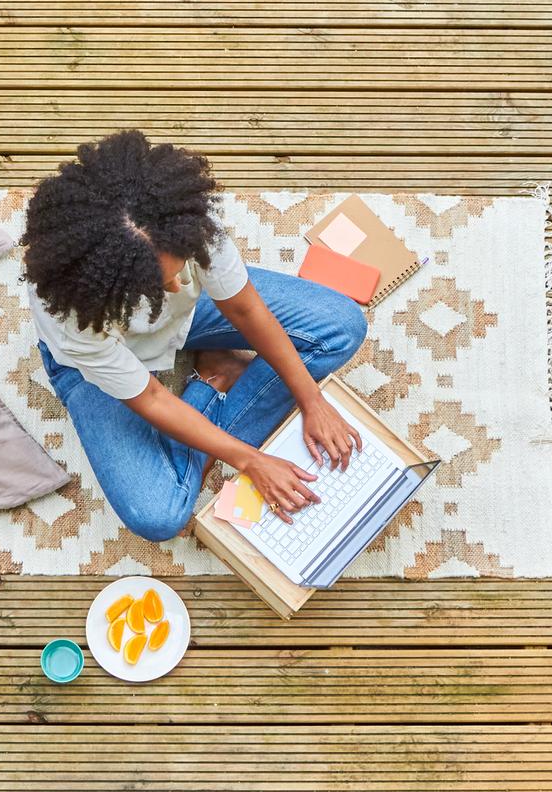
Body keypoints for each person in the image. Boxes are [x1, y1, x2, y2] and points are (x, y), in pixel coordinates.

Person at [22, 130, 370, 542]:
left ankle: (205, 411)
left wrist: (312, 400)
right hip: (95, 366)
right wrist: (251, 460)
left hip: (188, 322)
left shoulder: (181, 221)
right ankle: (214, 379)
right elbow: (150, 395)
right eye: (156, 287)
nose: (174, 289)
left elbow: (244, 308)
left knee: (342, 325)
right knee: (158, 516)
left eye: (179, 269)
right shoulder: (71, 316)